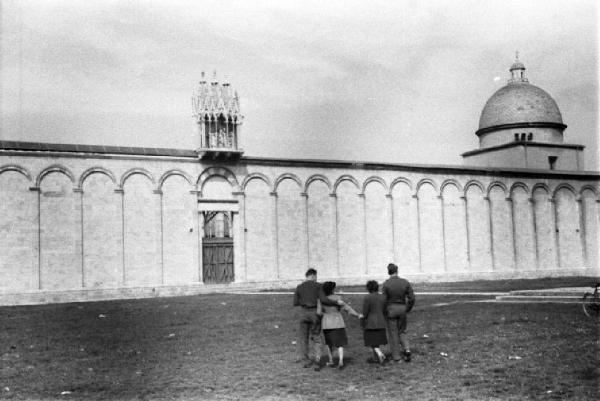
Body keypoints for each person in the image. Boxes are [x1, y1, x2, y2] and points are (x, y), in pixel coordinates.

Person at [293, 268, 343, 370]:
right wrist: (336, 302)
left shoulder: (299, 287)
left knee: (303, 338)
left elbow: (295, 302)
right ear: (313, 276)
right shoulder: (318, 286)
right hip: (314, 313)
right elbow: (324, 299)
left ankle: (305, 361)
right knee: (316, 337)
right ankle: (317, 360)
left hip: (303, 313)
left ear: (306, 276)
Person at [319, 281, 362, 370]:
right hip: (338, 322)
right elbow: (347, 308)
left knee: (329, 343)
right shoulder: (338, 298)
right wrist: (357, 314)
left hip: (327, 323)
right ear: (332, 289)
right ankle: (341, 360)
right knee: (340, 344)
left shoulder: (322, 300)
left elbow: (319, 312)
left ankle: (331, 360)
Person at [382, 263, 415, 362]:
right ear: (397, 271)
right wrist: (407, 308)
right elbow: (412, 298)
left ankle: (396, 357)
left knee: (393, 333)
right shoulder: (405, 282)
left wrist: (384, 312)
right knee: (402, 331)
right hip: (402, 309)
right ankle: (407, 349)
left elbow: (383, 300)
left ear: (388, 272)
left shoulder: (386, 284)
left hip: (391, 310)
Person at [361, 280, 388, 365]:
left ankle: (379, 354)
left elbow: (365, 312)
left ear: (368, 288)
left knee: (371, 341)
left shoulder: (367, 297)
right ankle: (376, 358)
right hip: (381, 321)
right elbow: (385, 310)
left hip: (370, 322)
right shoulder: (383, 297)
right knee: (376, 341)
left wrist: (362, 318)